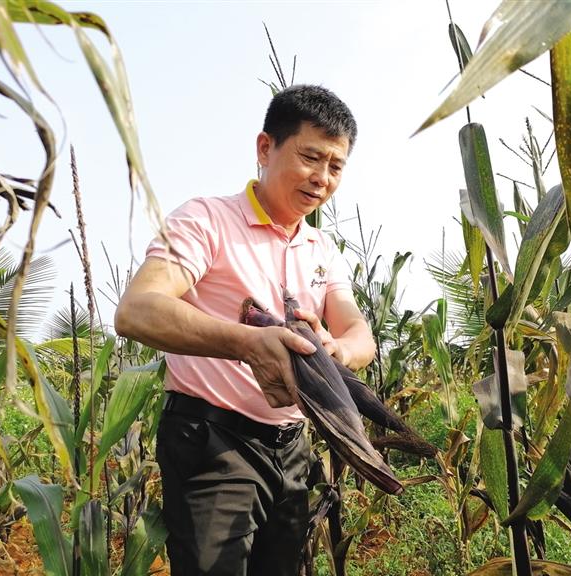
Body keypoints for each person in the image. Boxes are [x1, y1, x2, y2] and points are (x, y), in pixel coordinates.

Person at [114, 84, 375, 576]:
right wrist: (248, 343)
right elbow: (137, 310)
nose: (322, 178)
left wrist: (337, 351)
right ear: (265, 148)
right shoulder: (206, 220)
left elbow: (360, 332)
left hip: (293, 446)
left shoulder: (321, 248)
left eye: (336, 167)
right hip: (214, 442)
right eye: (311, 158)